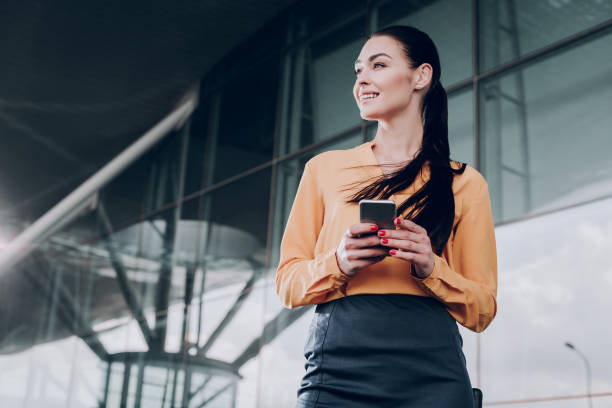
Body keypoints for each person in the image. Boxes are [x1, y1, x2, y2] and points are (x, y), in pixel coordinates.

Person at [276, 25, 498, 408]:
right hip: (338, 365)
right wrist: (340, 262)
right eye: (358, 70)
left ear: (420, 76)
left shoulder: (465, 183)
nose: (362, 80)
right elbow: (287, 284)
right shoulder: (323, 169)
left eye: (377, 65)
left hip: (432, 367)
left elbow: (482, 310)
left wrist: (432, 267)